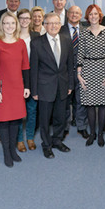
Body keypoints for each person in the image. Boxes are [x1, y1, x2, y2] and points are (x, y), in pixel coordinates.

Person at [30, 13, 73, 159]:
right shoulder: (36, 42)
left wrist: (70, 84)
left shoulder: (67, 40)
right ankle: (46, 145)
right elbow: (34, 68)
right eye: (50, 23)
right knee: (45, 119)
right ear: (45, 25)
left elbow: (70, 65)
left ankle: (57, 141)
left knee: (60, 117)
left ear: (60, 25)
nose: (54, 26)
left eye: (56, 23)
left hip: (63, 85)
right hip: (44, 87)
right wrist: (34, 90)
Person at [0, 12, 30, 167]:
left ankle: (13, 150)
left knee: (15, 120)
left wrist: (27, 86)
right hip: (2, 88)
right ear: (2, 25)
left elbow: (25, 66)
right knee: (3, 121)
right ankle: (6, 152)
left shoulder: (21, 43)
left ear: (16, 25)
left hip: (17, 87)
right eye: (6, 23)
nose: (9, 26)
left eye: (12, 23)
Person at [77, 4, 105, 147]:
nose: (93, 16)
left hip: (104, 69)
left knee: (103, 104)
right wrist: (79, 74)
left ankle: (100, 134)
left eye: (95, 14)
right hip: (87, 70)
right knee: (90, 104)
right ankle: (92, 133)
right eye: (90, 14)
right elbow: (80, 53)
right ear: (87, 16)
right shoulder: (84, 32)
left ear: (100, 16)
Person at [60, 6, 89, 140]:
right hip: (65, 71)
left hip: (82, 71)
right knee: (65, 101)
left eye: (77, 13)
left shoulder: (86, 31)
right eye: (71, 12)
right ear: (67, 14)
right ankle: (64, 127)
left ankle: (81, 126)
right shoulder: (60, 29)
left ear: (81, 15)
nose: (74, 15)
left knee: (81, 100)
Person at [16, 9, 40, 152]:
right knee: (19, 111)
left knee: (32, 109)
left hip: (33, 77)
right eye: (21, 18)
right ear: (18, 20)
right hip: (17, 78)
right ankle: (19, 139)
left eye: (27, 18)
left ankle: (30, 137)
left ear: (31, 20)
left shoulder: (36, 36)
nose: (24, 21)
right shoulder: (12, 36)